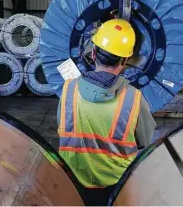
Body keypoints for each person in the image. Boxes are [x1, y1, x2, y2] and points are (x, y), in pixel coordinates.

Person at [56, 19, 156, 206]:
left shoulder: (68, 90)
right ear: (125, 60)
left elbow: (62, 129)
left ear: (94, 53)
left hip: (72, 187)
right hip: (117, 191)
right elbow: (144, 141)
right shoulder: (134, 99)